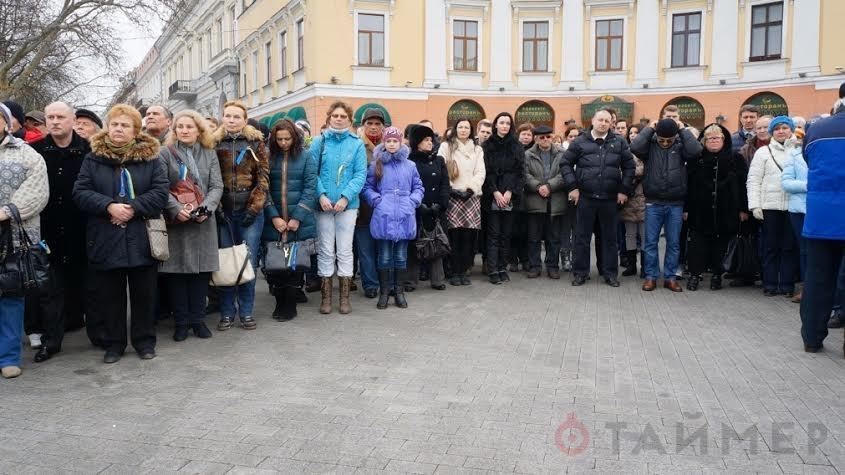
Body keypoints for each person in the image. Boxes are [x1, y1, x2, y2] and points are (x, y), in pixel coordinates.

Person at [72, 104, 169, 364]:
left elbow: (160, 193)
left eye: (125, 125)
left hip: (141, 236)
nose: (118, 129)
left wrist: (132, 209)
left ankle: (144, 341)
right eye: (114, 124)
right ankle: (114, 344)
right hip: (105, 236)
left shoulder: (150, 157)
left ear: (136, 131)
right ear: (107, 127)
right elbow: (80, 192)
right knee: (110, 296)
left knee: (144, 295)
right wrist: (108, 206)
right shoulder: (93, 158)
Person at [26, 102, 91, 363]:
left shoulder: (89, 150)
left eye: (60, 117)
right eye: (50, 117)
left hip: (83, 227)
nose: (54, 121)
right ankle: (51, 342)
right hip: (47, 229)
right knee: (51, 289)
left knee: (89, 285)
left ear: (72, 119)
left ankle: (98, 334)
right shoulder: (35, 151)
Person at [158, 110, 223, 340]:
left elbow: (217, 186)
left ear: (199, 130)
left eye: (189, 126)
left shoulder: (209, 153)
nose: (184, 131)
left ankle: (198, 320)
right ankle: (181, 323)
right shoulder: (165, 153)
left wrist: (205, 209)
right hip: (178, 223)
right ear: (174, 130)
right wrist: (177, 209)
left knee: (200, 273)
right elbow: (161, 187)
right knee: (177, 275)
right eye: (180, 127)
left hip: (204, 221)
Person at [0, 103, 49, 378]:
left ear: (7, 123)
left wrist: (5, 212)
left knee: (11, 295)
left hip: (15, 236)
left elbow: (37, 191)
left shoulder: (27, 154)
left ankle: (8, 356)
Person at [562, 110, 635, 287]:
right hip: (585, 198)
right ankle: (580, 273)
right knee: (581, 238)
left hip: (610, 199)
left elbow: (629, 167)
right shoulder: (580, 141)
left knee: (610, 239)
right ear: (593, 121)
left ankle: (610, 274)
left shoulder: (619, 141)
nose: (603, 123)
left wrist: (624, 190)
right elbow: (565, 163)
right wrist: (573, 187)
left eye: (607, 121)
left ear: (611, 123)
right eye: (600, 120)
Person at [213, 100, 269, 330]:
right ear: (222, 118)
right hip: (224, 210)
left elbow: (263, 179)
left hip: (250, 211)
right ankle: (227, 312)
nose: (232, 120)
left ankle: (246, 311)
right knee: (226, 263)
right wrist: (216, 208)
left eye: (237, 117)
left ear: (245, 120)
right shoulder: (213, 143)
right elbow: (209, 179)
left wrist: (254, 208)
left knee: (248, 261)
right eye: (228, 116)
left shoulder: (256, 143)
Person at [631, 118, 702, 292]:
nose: (664, 143)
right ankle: (651, 277)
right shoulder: (651, 145)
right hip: (653, 202)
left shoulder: (680, 145)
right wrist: (649, 129)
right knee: (650, 243)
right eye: (661, 139)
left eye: (668, 140)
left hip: (675, 203)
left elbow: (696, 151)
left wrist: (683, 130)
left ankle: (670, 277)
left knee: (673, 243)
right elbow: (635, 147)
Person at [799, 95, 845, 353]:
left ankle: (812, 338)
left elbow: (809, 160)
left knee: (817, 278)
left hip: (821, 215)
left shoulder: (817, 128)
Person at [313, 101, 367, 315]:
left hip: (348, 206)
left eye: (343, 116)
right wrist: (321, 195)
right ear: (329, 118)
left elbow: (360, 174)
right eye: (335, 115)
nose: (338, 119)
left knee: (344, 250)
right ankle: (326, 298)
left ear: (349, 119)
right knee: (326, 250)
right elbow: (312, 172)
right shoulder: (319, 142)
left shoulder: (356, 144)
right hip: (323, 205)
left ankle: (344, 298)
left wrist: (346, 197)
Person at [362, 127, 424, 309]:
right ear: (383, 142)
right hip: (384, 216)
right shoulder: (376, 164)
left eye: (395, 141)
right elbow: (367, 188)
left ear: (401, 142)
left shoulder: (410, 166)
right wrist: (377, 200)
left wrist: (413, 201)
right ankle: (384, 292)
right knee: (385, 256)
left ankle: (399, 292)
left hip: (404, 215)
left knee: (400, 256)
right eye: (388, 141)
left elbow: (418, 187)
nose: (391, 144)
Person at [262, 119, 317, 321]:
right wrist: (274, 216)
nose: (284, 143)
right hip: (275, 220)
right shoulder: (267, 157)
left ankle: (290, 305)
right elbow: (263, 189)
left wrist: (297, 217)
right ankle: (279, 303)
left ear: (295, 137)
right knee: (275, 265)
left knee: (295, 265)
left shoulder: (306, 156)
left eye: (287, 139)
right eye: (279, 139)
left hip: (298, 221)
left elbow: (310, 188)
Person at [685, 124, 749, 291]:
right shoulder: (696, 159)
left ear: (723, 139)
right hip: (699, 210)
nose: (713, 141)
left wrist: (743, 208)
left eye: (716, 138)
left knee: (720, 245)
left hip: (726, 209)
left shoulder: (736, 158)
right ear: (704, 141)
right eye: (709, 138)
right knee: (697, 245)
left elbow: (743, 185)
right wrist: (686, 208)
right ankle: (694, 275)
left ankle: (716, 275)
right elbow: (688, 185)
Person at [747, 115, 798, 297]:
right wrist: (755, 205)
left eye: (785, 128)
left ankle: (786, 284)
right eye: (777, 129)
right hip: (770, 207)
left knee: (789, 247)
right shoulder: (763, 152)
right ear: (772, 132)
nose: (781, 131)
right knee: (770, 247)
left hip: (793, 207)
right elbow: (753, 180)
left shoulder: (798, 151)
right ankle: (769, 283)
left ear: (791, 130)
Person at [440, 118, 485, 286]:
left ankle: (463, 271)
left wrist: (470, 189)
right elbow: (441, 168)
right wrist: (452, 189)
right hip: (453, 196)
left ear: (471, 130)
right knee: (453, 235)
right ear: (455, 129)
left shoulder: (477, 149)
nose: (463, 130)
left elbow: (480, 172)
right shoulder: (446, 146)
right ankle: (452, 271)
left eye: (467, 127)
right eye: (460, 127)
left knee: (468, 237)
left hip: (471, 197)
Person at [405, 125, 450, 291]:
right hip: (417, 209)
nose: (430, 143)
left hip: (436, 209)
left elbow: (445, 184)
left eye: (431, 140)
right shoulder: (409, 161)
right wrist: (418, 205)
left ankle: (437, 279)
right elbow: (408, 186)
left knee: (436, 241)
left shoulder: (439, 160)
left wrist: (441, 204)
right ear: (417, 142)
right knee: (414, 243)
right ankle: (410, 281)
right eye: (426, 140)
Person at [482, 112, 525, 284]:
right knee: (494, 234)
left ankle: (502, 267)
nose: (505, 126)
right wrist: (495, 192)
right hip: (492, 194)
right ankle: (492, 269)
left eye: (508, 123)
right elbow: (486, 172)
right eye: (502, 122)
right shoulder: (487, 145)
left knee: (506, 234)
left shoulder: (516, 145)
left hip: (510, 196)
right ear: (496, 125)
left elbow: (520, 172)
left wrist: (510, 192)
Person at [523, 125, 566, 279]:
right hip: (535, 201)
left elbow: (565, 173)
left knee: (554, 237)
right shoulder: (527, 154)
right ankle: (534, 266)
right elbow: (525, 175)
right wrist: (538, 187)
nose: (546, 139)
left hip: (555, 201)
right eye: (542, 137)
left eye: (548, 136)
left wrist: (550, 186)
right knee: (533, 237)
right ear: (536, 139)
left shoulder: (562, 153)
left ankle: (553, 266)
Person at [354, 108, 387, 298]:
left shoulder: (390, 144)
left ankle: (384, 281)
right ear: (363, 126)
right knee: (365, 249)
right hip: (363, 207)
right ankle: (370, 284)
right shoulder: (357, 146)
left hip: (385, 207)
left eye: (377, 124)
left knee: (382, 248)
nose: (374, 127)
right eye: (370, 124)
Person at [781, 141, 807, 303]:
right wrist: (811, 185)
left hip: (822, 207)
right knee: (805, 251)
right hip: (799, 210)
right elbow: (787, 183)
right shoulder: (794, 155)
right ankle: (807, 288)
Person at [619, 154, 645, 277]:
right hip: (628, 202)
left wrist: (629, 171)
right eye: (632, 133)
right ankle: (632, 265)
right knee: (629, 235)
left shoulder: (647, 156)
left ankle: (646, 266)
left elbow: (645, 169)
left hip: (643, 200)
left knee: (645, 235)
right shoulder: (626, 154)